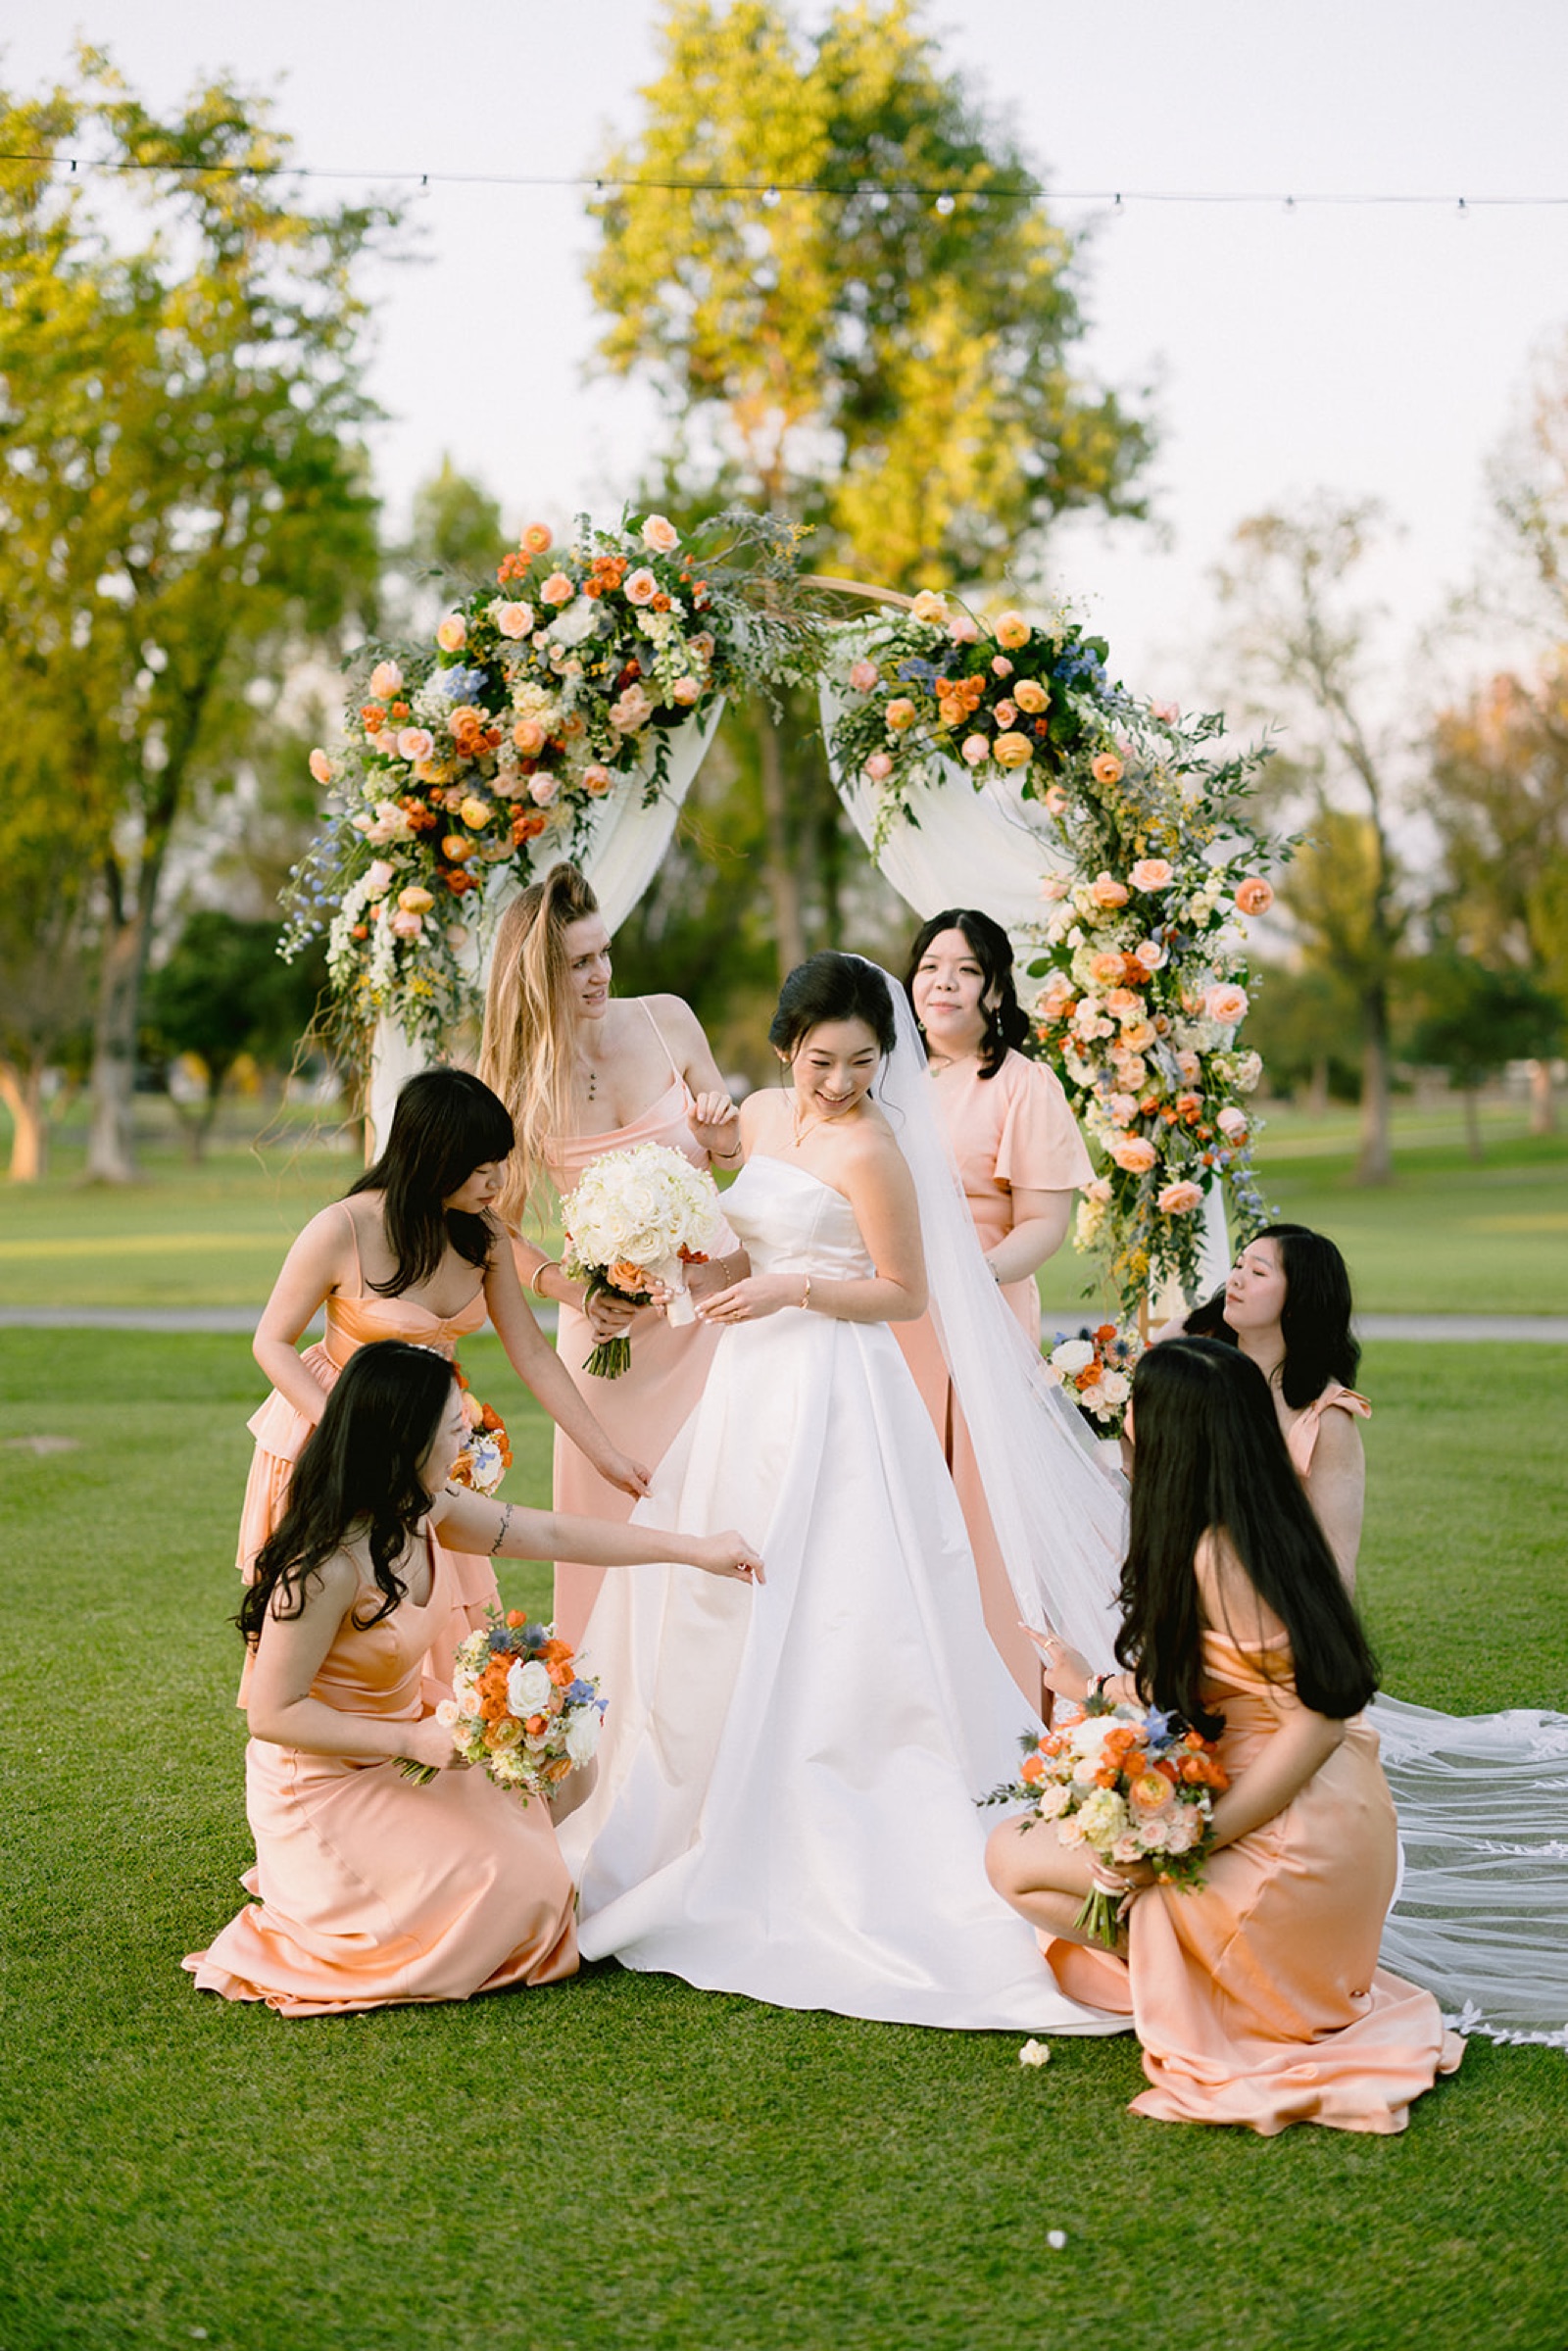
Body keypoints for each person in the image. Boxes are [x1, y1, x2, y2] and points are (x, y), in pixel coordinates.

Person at [557, 954, 1128, 2035]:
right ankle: (691, 1798)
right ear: (785, 1049)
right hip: (748, 1383)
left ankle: (827, 1800)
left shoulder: (875, 1147)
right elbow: (735, 1249)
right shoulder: (761, 1118)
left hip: (835, 1385)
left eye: (863, 1061)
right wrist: (670, 1269)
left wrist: (798, 1289)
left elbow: (903, 1291)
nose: (840, 1082)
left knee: (838, 1590)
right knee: (718, 1582)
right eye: (821, 1060)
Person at [185, 1341, 761, 2018]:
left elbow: (553, 1536)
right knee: (518, 1883)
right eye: (453, 1428)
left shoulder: (425, 1506)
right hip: (324, 1778)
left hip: (410, 1735)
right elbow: (272, 1715)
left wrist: (695, 1551)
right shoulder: (324, 1566)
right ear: (405, 1441)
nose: (467, 1439)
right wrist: (413, 1743)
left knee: (559, 1802)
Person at [986, 1337, 1465, 2132]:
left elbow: (1315, 1721)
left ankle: (1228, 1981)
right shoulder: (1260, 1520)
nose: (1125, 1414)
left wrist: (1193, 1839)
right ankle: (1216, 1961)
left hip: (1292, 1836)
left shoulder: (1220, 1553)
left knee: (1011, 1857)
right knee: (1065, 1856)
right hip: (1337, 1816)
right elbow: (1229, 1680)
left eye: (1137, 1403)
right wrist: (1093, 1687)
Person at [241, 1066, 648, 1682]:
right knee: (335, 1613)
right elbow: (271, 1342)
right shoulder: (342, 1228)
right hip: (331, 1430)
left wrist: (604, 1454)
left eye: (502, 1163)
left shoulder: (483, 1236)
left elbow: (532, 1353)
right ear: (432, 1157)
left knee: (444, 1611)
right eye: (481, 1168)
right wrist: (345, 1427)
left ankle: (432, 1734)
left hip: (428, 1442)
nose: (498, 1182)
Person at [477, 863, 743, 1647]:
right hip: (607, 1338)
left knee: (721, 1495)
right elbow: (494, 1227)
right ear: (537, 976)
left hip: (712, 1310)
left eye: (604, 953)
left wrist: (725, 1136)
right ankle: (606, 1695)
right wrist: (577, 1294)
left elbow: (736, 1160)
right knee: (611, 1516)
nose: (601, 974)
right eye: (578, 963)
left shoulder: (669, 1020)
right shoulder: (513, 1081)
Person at [897, 908, 1094, 1699]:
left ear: (997, 989)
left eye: (966, 969)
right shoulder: (885, 1078)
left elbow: (1044, 1223)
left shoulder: (1021, 1083)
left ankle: (1002, 1692)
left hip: (981, 1308)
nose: (943, 982)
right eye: (930, 966)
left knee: (982, 1498)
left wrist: (969, 1282)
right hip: (892, 1314)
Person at [1177, 1223, 1368, 1584]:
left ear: (1298, 1301)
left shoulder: (1325, 1417)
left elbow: (1338, 1555)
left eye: (1258, 1272)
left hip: (1269, 1588)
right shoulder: (1195, 1358)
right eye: (1238, 1265)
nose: (1236, 1280)